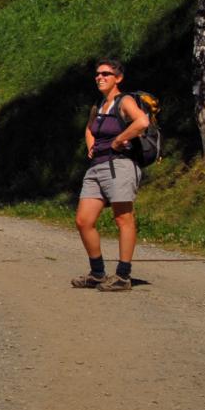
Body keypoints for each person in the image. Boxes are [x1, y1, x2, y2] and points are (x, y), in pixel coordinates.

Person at [71, 59, 148, 292]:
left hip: (120, 165)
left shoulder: (124, 101)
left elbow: (142, 122)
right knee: (83, 221)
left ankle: (123, 276)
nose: (100, 77)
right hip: (97, 166)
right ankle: (97, 273)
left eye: (106, 74)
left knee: (123, 219)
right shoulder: (99, 104)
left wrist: (118, 139)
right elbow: (89, 127)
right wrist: (91, 145)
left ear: (118, 78)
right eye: (97, 74)